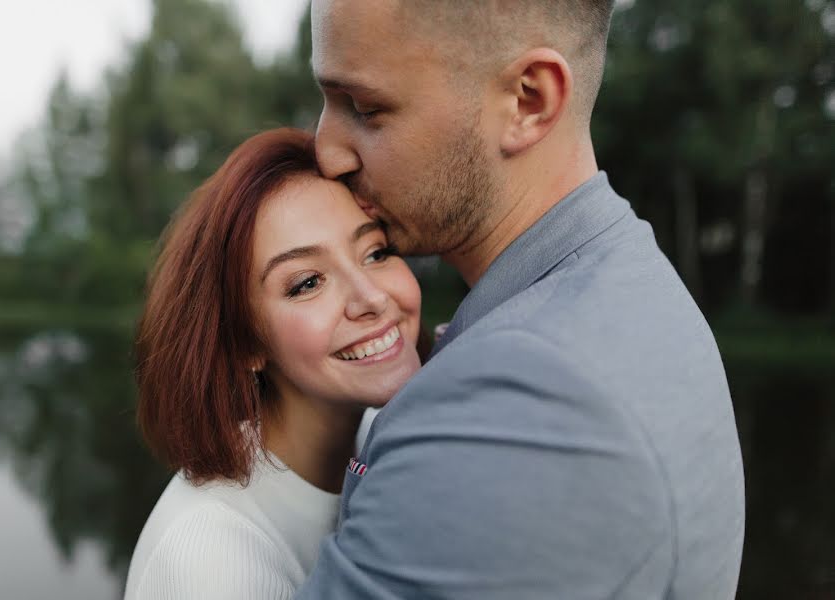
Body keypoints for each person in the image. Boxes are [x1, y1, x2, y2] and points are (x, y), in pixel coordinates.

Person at [297, 1, 746, 598]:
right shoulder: (630, 282)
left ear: (528, 102)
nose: (326, 152)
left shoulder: (521, 393)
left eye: (366, 109)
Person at [123, 128, 422, 600]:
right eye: (307, 283)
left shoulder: (392, 449)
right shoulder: (212, 562)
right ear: (246, 342)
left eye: (376, 252)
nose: (371, 298)